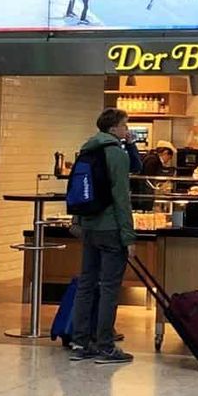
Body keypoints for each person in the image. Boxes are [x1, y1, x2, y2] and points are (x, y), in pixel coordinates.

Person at [70, 108, 137, 365]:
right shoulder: (116, 154)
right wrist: (128, 236)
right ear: (113, 128)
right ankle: (106, 346)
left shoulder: (87, 149)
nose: (127, 130)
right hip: (110, 228)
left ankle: (80, 342)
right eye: (124, 125)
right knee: (109, 287)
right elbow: (121, 198)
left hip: (89, 226)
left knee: (86, 284)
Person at [134, 140, 176, 207]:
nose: (169, 160)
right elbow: (149, 178)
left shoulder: (152, 158)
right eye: (170, 157)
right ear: (165, 152)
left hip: (143, 192)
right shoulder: (153, 160)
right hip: (144, 193)